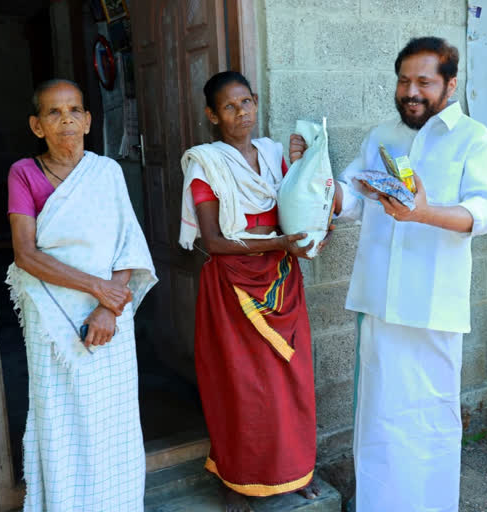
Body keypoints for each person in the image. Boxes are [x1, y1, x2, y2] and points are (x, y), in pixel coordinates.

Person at [292, 37, 487, 511]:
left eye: (424, 82)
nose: (411, 91)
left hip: (434, 303)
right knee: (379, 417)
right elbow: (348, 198)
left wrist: (424, 213)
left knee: (430, 416)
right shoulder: (381, 135)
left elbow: (484, 212)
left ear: (450, 85)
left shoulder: (476, 139)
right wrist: (311, 172)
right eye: (404, 80)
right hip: (378, 300)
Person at [7, 79, 157, 511]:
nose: (66, 119)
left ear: (89, 120)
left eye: (74, 110)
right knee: (61, 415)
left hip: (110, 316)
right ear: (37, 126)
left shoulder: (106, 172)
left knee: (113, 417)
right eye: (53, 113)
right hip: (53, 318)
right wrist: (98, 289)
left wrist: (109, 307)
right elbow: (26, 254)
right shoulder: (25, 173)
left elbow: (127, 242)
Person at [178, 71, 323, 512]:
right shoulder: (206, 164)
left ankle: (293, 470)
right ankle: (236, 478)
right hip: (233, 286)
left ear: (256, 103)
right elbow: (215, 243)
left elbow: (294, 202)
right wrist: (282, 242)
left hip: (280, 280)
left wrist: (305, 169)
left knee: (290, 380)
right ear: (212, 115)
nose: (241, 113)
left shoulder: (273, 153)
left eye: (246, 102)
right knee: (241, 386)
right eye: (229, 106)